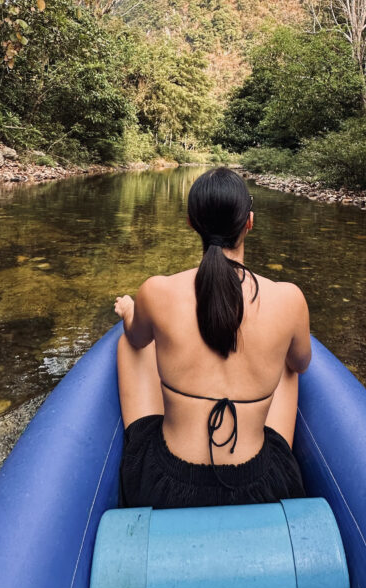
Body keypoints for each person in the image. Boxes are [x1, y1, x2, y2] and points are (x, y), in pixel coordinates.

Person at [114, 166, 312, 509]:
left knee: (129, 343)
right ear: (249, 222)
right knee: (289, 365)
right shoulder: (289, 298)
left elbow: (136, 337)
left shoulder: (158, 290)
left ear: (192, 223)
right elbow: (301, 364)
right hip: (262, 486)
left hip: (164, 486)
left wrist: (131, 311)